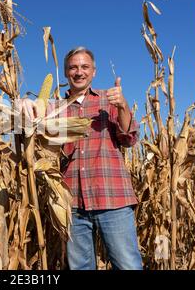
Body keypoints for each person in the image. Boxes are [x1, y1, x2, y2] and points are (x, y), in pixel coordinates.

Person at [21, 46, 142, 270]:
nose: (79, 72)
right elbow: (25, 120)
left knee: (128, 266)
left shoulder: (109, 101)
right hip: (71, 203)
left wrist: (123, 105)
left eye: (84, 67)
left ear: (94, 71)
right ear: (67, 72)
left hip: (112, 198)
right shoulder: (54, 108)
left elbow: (128, 138)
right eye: (73, 67)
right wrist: (24, 104)